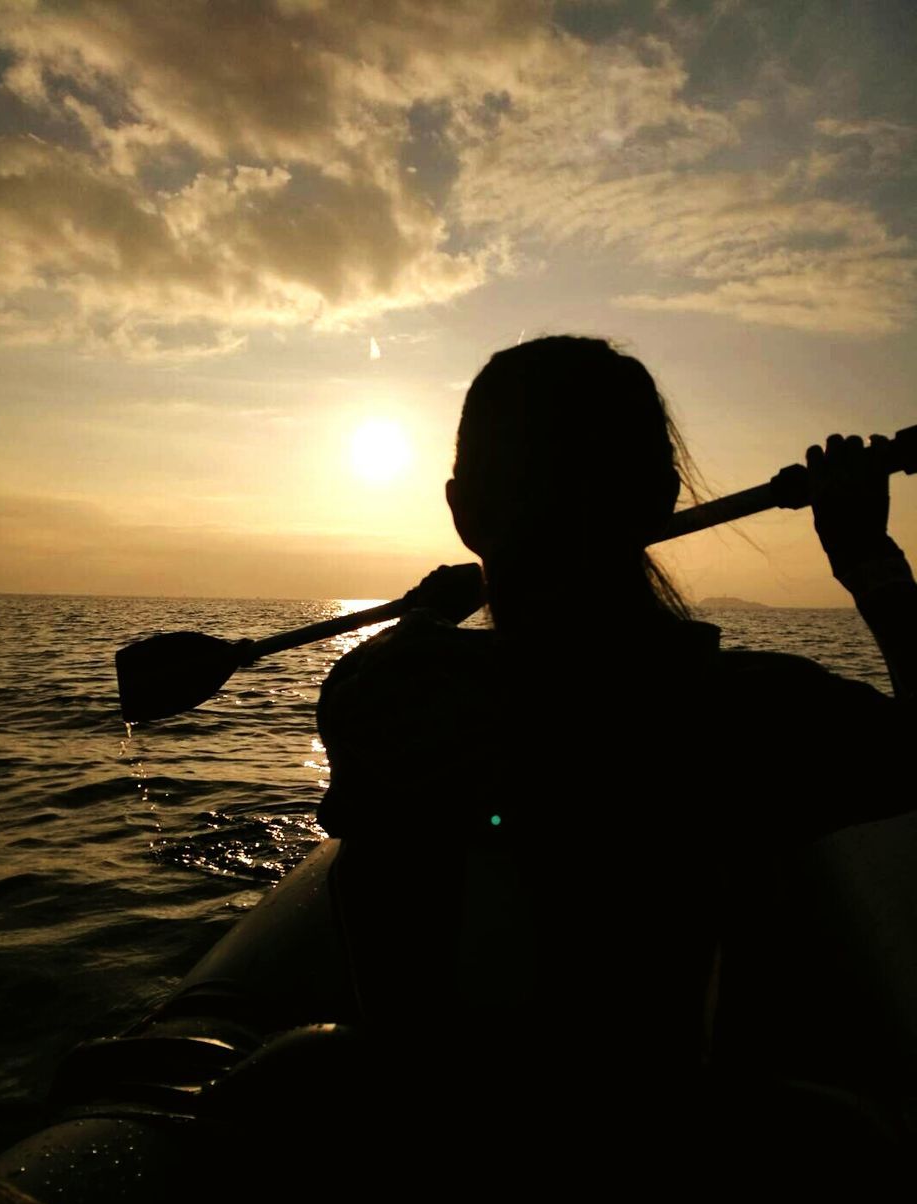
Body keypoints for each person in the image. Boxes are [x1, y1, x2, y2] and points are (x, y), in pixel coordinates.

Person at [317, 335, 917, 1100]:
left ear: (463, 513)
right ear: (663, 499)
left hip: (426, 1171)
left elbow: (460, 682)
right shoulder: (749, 715)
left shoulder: (365, 696)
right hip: (640, 1177)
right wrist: (872, 560)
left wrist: (424, 620)